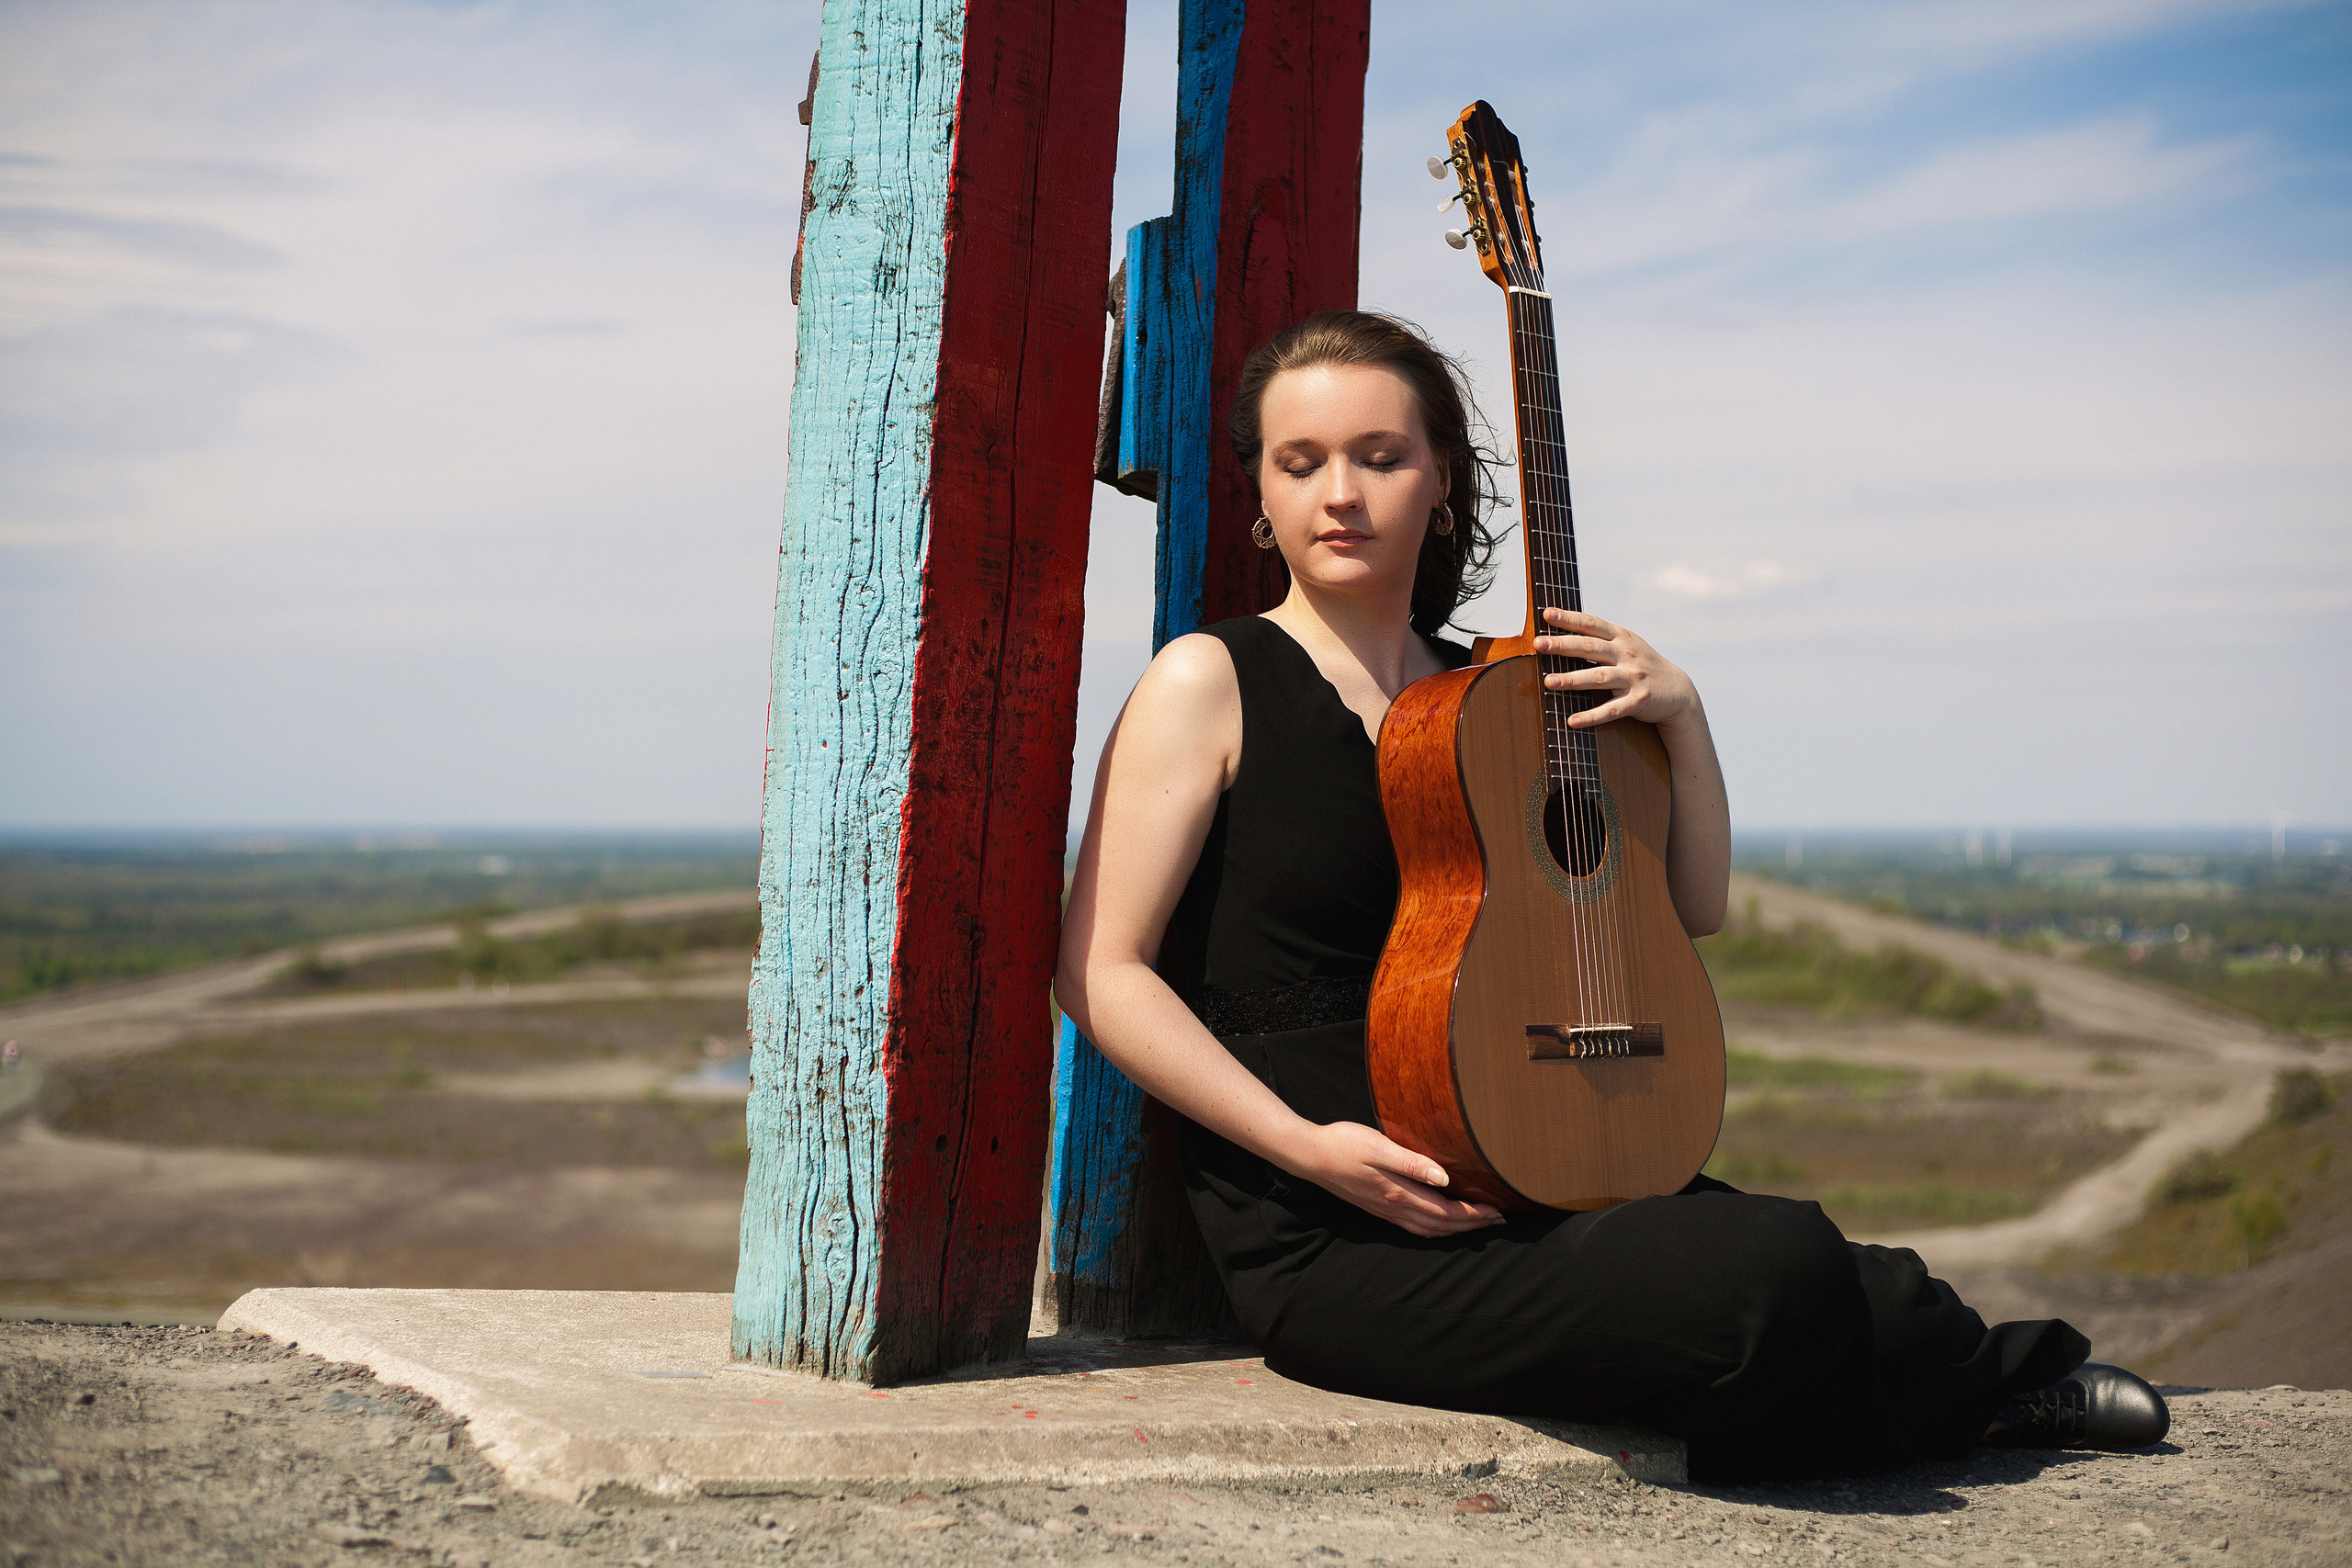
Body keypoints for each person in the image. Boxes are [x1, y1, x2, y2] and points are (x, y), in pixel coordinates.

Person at [1054, 310, 2167, 1481]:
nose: (1341, 492)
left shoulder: (1497, 697)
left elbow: (1690, 905)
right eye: (1301, 463)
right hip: (1339, 1225)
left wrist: (1683, 720)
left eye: (1379, 457)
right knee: (1763, 1275)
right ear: (1260, 497)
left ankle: (1967, 1392)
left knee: (1846, 1270)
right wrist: (1306, 1148)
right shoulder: (1208, 680)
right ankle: (1966, 1402)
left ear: (1440, 481)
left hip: (1539, 1168)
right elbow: (1099, 971)